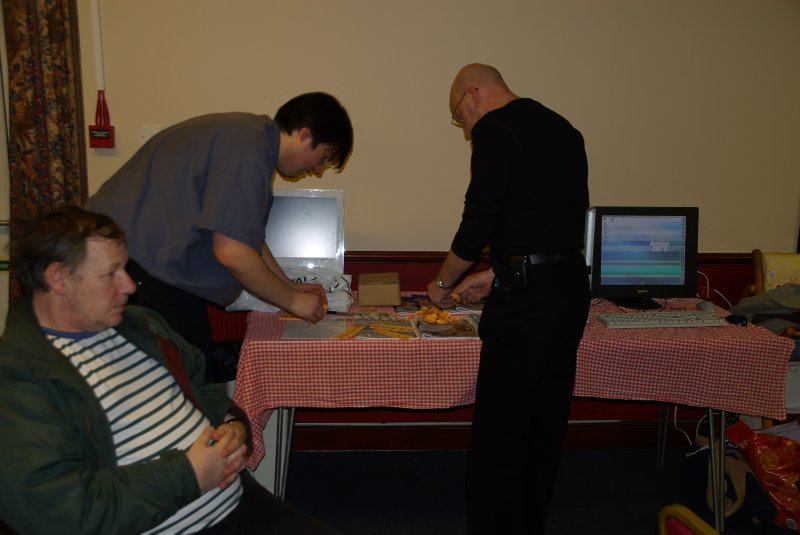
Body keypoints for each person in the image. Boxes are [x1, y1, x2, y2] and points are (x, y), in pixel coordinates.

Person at [0, 206, 340, 534]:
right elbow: (61, 512)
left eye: (126, 269)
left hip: (239, 502)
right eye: (111, 274)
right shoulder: (20, 382)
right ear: (58, 278)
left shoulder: (139, 324)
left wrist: (230, 422)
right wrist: (189, 475)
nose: (130, 286)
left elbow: (199, 383)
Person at [87, 92, 354, 380]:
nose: (317, 171)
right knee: (189, 373)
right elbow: (232, 252)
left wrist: (288, 286)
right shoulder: (248, 151)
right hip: (130, 264)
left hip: (136, 259)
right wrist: (292, 301)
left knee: (192, 365)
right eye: (323, 158)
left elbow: (248, 238)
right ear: (304, 135)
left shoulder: (250, 140)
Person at [427, 64, 590, 533]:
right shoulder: (564, 129)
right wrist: (495, 272)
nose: (465, 129)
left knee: (501, 426)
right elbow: (552, 222)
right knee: (545, 418)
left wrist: (441, 284)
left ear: (472, 94)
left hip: (525, 301)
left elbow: (478, 219)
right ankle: (529, 521)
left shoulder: (496, 130)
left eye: (460, 117)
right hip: (568, 288)